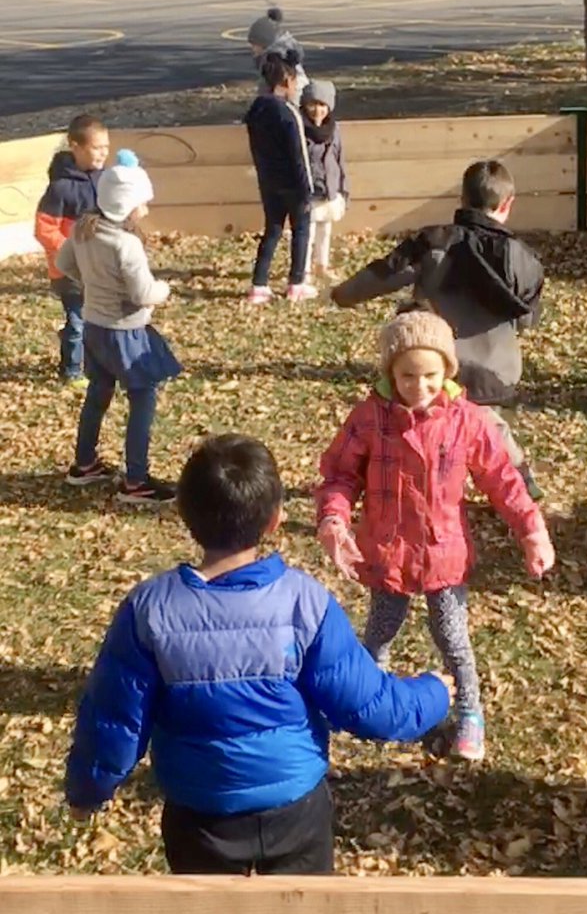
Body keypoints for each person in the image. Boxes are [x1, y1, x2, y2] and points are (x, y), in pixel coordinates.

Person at [64, 433, 451, 875]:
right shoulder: (305, 602)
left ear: (183, 513)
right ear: (276, 520)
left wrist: (87, 791)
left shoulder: (150, 608)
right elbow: (370, 706)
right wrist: (434, 693)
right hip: (295, 813)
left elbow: (114, 720)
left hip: (199, 815)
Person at [315, 309, 555, 762]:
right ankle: (366, 704)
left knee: (451, 635)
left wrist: (532, 529)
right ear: (390, 372)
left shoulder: (468, 421)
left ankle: (469, 712)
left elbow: (502, 478)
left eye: (429, 375)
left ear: (447, 371)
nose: (419, 387)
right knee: (380, 632)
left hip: (443, 552)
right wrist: (334, 519)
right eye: (407, 376)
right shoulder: (370, 419)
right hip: (387, 552)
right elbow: (340, 475)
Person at [330, 159, 546, 499]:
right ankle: (521, 484)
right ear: (507, 205)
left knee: (412, 414)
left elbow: (385, 274)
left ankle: (394, 480)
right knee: (485, 423)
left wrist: (343, 295)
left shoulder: (434, 242)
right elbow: (528, 319)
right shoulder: (525, 259)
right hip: (497, 370)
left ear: (461, 199)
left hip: (435, 364)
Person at [57, 151, 180, 506]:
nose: (146, 209)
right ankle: (137, 480)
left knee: (99, 391)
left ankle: (84, 463)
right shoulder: (127, 245)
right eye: (143, 203)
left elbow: (64, 262)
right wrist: (164, 290)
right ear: (128, 206)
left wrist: (94, 285)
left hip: (95, 326)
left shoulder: (84, 229)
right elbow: (143, 294)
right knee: (143, 398)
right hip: (125, 333)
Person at [34, 113, 109, 387]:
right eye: (96, 148)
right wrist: (71, 252)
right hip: (69, 272)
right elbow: (44, 228)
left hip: (99, 266)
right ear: (76, 147)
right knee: (77, 321)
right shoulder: (60, 188)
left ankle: (97, 362)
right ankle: (71, 370)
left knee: (99, 318)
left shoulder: (106, 180)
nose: (103, 153)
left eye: (106, 148)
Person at [244, 51, 315, 305]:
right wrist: (307, 189)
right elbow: (299, 156)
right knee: (301, 230)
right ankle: (297, 283)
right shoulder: (288, 113)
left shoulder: (256, 111)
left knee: (272, 230)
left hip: (269, 182)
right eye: (295, 82)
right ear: (286, 81)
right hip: (293, 185)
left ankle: (259, 284)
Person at [300, 80, 349, 282]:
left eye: (322, 105)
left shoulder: (334, 130)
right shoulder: (300, 129)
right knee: (307, 233)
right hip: (309, 190)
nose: (317, 110)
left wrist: (343, 190)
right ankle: (303, 270)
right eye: (312, 104)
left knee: (325, 231)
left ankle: (322, 265)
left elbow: (340, 159)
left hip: (329, 188)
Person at [246, 6, 308, 103]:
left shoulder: (277, 63)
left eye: (254, 44)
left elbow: (291, 86)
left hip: (289, 99)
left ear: (264, 43)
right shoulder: (268, 58)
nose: (253, 48)